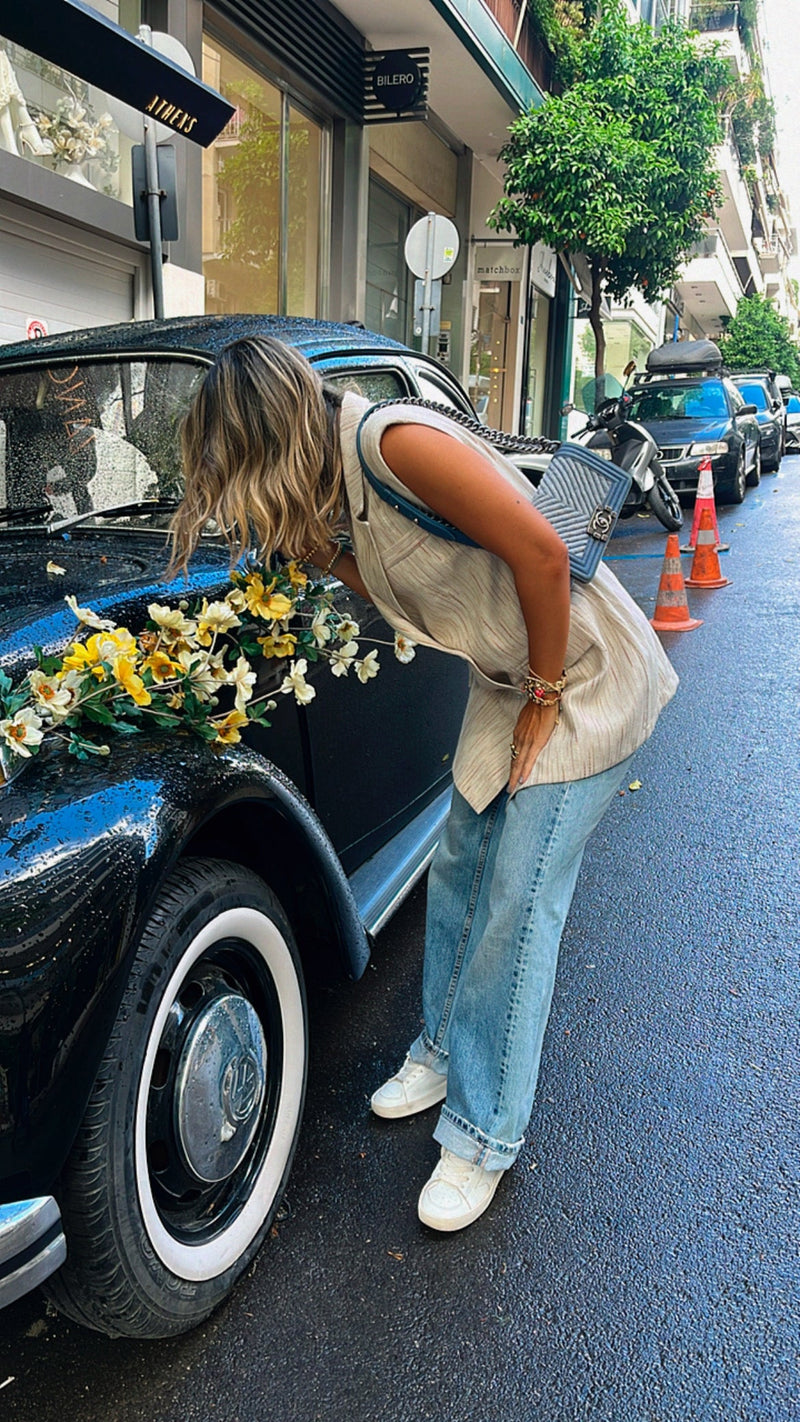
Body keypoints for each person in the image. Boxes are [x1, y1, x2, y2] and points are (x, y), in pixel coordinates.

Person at [171, 336, 678, 1233]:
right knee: (459, 871)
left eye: (235, 470)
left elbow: (543, 556)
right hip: (510, 674)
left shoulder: (394, 444)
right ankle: (442, 1051)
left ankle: (482, 1135)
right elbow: (402, 583)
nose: (235, 498)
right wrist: (322, 553)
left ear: (267, 438)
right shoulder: (342, 489)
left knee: (515, 905)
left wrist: (547, 697)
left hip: (582, 671)